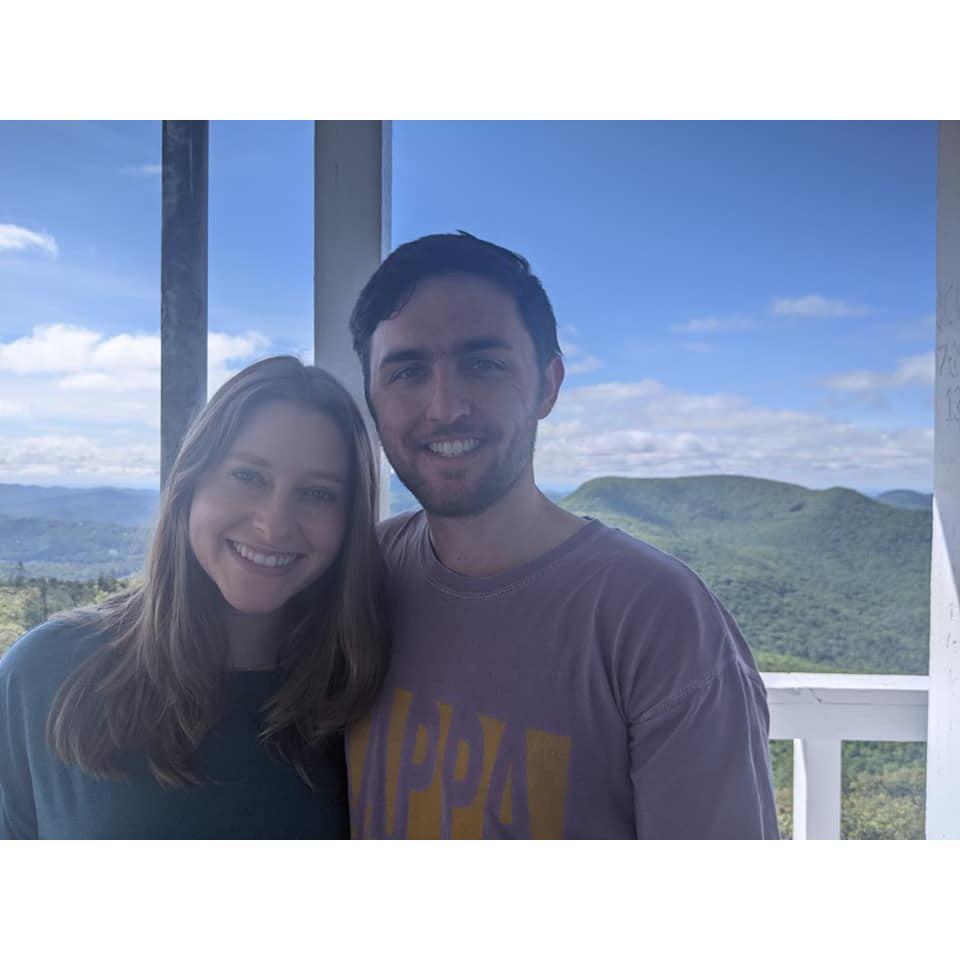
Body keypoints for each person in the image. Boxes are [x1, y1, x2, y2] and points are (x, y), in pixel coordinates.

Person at [345, 232, 779, 839]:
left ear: (549, 384)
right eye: (407, 371)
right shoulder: (363, 576)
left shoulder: (658, 620)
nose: (444, 407)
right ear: (372, 397)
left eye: (483, 364)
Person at [0, 357, 387, 839]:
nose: (275, 524)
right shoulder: (43, 675)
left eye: (318, 493)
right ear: (190, 483)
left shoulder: (367, 694)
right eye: (248, 477)